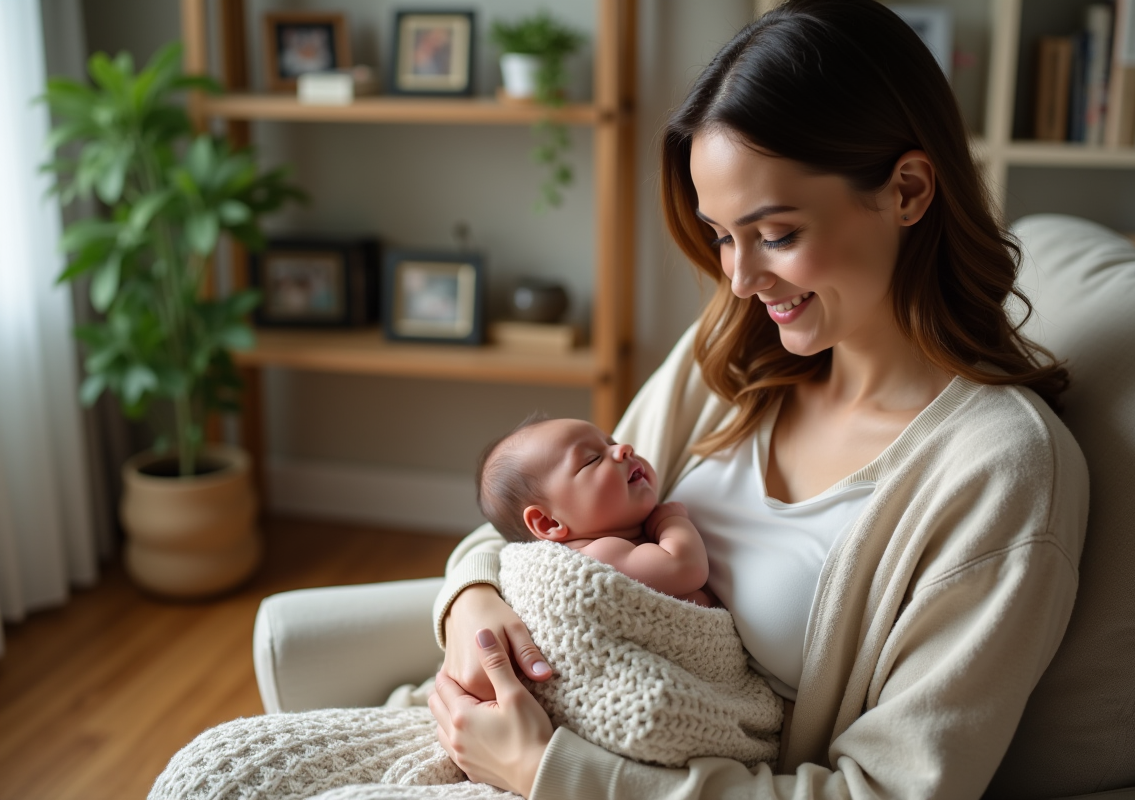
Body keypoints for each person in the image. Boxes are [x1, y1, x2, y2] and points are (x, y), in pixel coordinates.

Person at [428, 1, 1089, 799]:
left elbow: (886, 789)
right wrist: (472, 607)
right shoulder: (735, 354)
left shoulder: (999, 470)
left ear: (909, 190)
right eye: (720, 235)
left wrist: (549, 772)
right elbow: (546, 518)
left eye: (775, 234)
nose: (740, 280)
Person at [477, 413, 716, 607]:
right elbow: (687, 568)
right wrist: (671, 520)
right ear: (549, 522)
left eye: (612, 442)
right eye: (592, 459)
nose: (624, 448)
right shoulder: (597, 554)